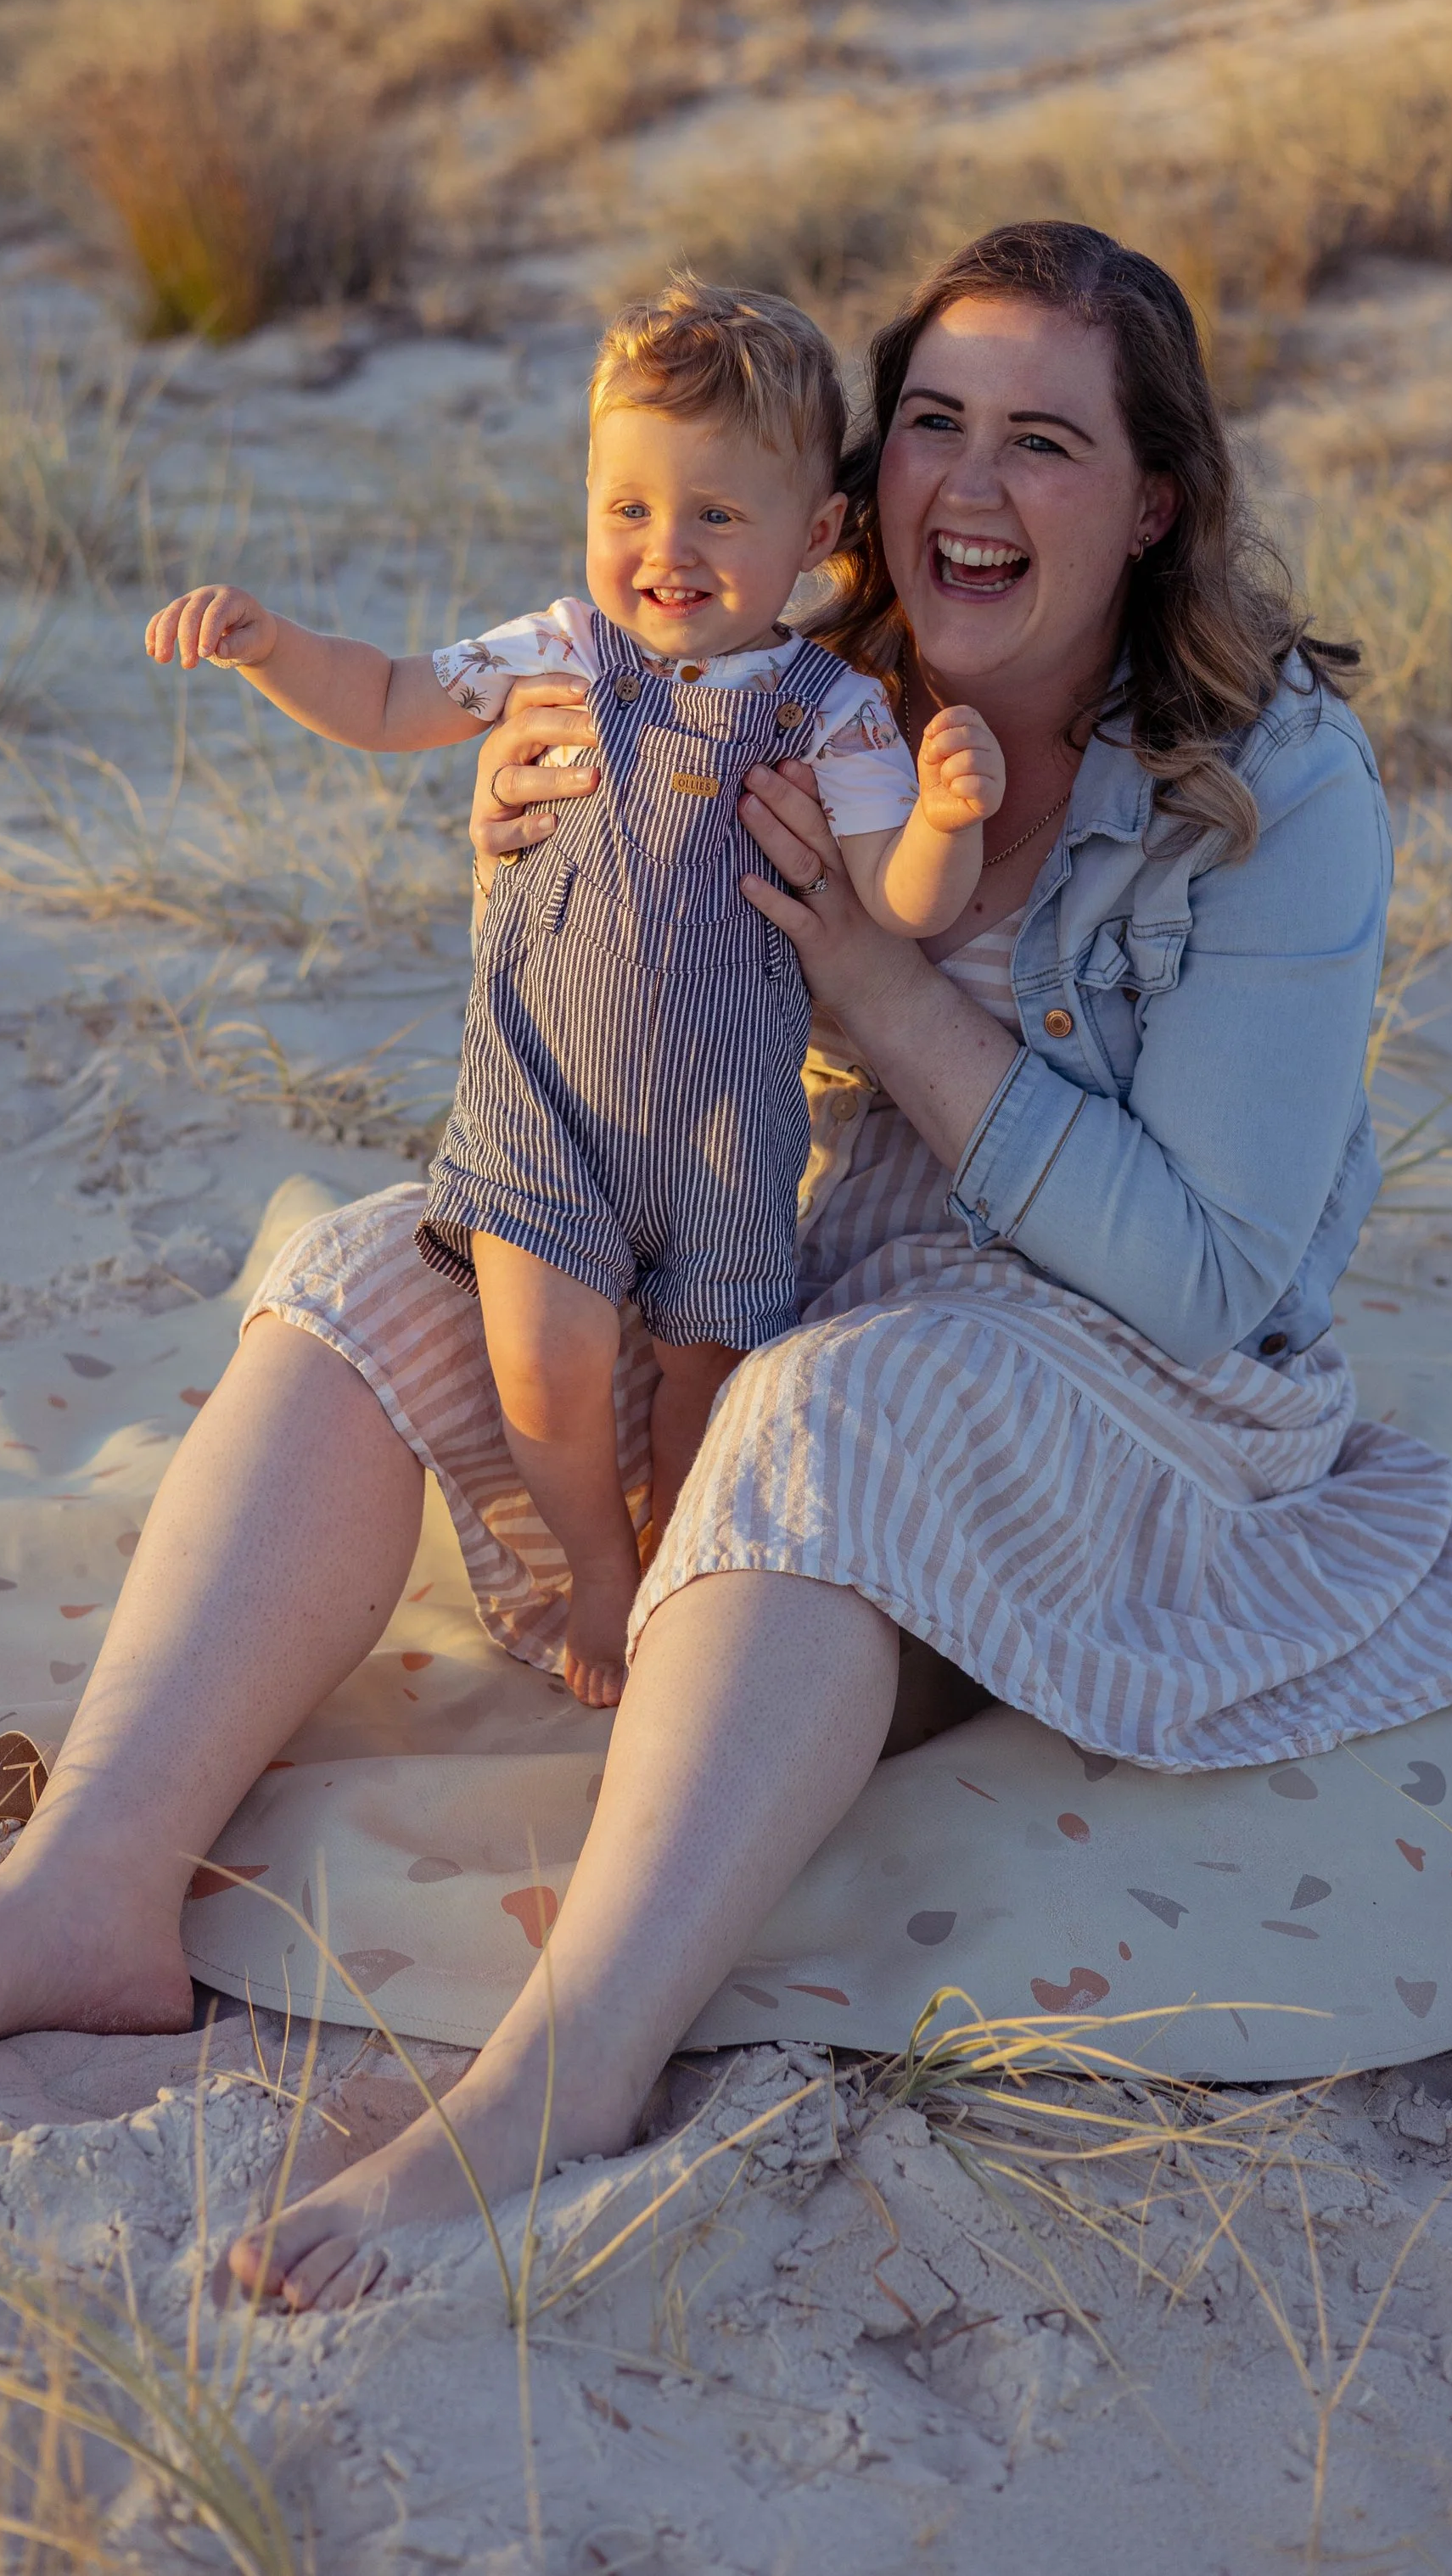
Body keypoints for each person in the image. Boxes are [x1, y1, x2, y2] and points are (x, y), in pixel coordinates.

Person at [0, 221, 1452, 2322]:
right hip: (789, 1256)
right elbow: (612, 999)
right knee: (382, 1265)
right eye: (932, 426)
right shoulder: (789, 662)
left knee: (820, 1409)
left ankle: (560, 2074)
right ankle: (91, 1885)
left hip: (1118, 1379)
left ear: (1151, 501)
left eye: (1042, 443)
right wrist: (518, 835)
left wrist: (875, 981)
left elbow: (1209, 1274)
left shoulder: (1272, 788)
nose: (967, 485)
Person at [142, 280, 1005, 1703]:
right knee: (540, 1358)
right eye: (630, 510)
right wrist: (267, 642)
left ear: (817, 534)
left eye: (719, 515)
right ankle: (601, 1579)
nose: (665, 550)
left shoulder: (832, 708)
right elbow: (383, 700)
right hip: (545, 1104)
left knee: (704, 1374)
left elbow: (902, 903)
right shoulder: (559, 649)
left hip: (729, 1131)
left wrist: (944, 821)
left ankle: (678, 1555)